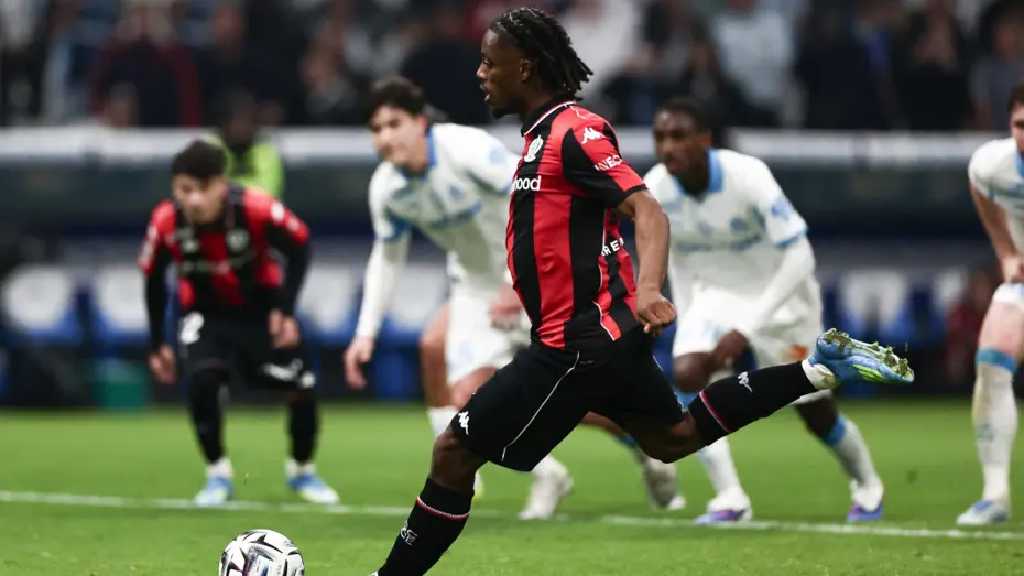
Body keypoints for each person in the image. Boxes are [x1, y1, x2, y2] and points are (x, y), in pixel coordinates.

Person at [367, 8, 913, 576]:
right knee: (674, 436)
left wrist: (649, 288)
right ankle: (817, 370)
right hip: (600, 336)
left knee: (454, 452)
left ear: (524, 67)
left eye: (489, 61)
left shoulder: (573, 132)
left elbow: (646, 209)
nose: (480, 72)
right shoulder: (538, 138)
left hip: (575, 341)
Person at [645, 97, 887, 523]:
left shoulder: (747, 175)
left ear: (705, 140)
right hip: (717, 296)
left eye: (679, 136)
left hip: (781, 298)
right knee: (687, 374)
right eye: (660, 137)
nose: (668, 147)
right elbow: (677, 259)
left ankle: (868, 485)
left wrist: (747, 329)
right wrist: (687, 318)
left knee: (814, 410)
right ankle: (730, 497)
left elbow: (800, 256)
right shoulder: (657, 188)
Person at [139, 140, 337, 506]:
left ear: (221, 184)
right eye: (185, 189)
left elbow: (299, 246)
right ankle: (217, 474)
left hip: (260, 311)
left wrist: (285, 310)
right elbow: (153, 278)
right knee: (203, 379)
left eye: (203, 189)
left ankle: (302, 470)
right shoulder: (165, 221)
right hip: (205, 314)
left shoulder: (256, 209)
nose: (194, 199)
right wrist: (157, 343)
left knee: (302, 386)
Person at [958, 81, 1024, 525]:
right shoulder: (991, 165)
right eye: (1021, 124)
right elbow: (980, 189)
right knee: (991, 363)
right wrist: (1005, 252)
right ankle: (995, 495)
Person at [214, 90, 285, 199]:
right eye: (238, 121)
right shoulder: (210, 150)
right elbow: (209, 194)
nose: (244, 128)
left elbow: (266, 195)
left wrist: (227, 189)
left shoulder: (267, 153)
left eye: (249, 121)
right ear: (225, 124)